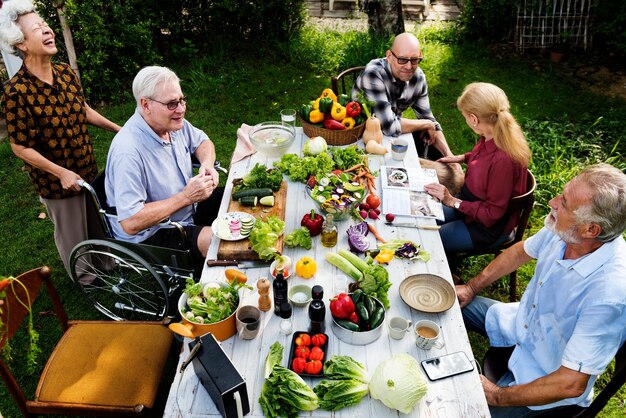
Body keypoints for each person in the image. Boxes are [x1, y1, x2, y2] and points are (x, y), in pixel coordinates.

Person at [457, 163, 626, 417]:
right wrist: (470, 287)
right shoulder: (568, 230)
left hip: (545, 377)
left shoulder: (608, 293)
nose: (552, 202)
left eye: (565, 202)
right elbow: (521, 251)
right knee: (447, 301)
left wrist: (495, 395)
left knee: (468, 411)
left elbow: (570, 382)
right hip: (520, 322)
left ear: (591, 229)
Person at [0, 0, 121, 277]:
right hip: (56, 181)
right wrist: (60, 172)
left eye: (45, 25)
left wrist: (118, 129)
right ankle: (87, 280)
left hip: (86, 166)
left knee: (96, 221)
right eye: (38, 29)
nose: (47, 31)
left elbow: (84, 110)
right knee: (73, 233)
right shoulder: (16, 92)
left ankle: (108, 264)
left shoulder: (65, 72)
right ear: (21, 43)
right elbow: (19, 146)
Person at [105, 66, 223, 268]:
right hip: (152, 233)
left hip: (186, 210)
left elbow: (204, 143)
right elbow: (131, 222)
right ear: (146, 104)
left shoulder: (172, 123)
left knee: (237, 200)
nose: (181, 109)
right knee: (219, 241)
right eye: (171, 104)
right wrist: (186, 197)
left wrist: (206, 164)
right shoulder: (128, 151)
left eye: (182, 100)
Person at [424, 82, 530, 253]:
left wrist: (452, 201)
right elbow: (485, 158)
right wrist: (463, 157)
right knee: (421, 220)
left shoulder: (503, 160)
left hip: (486, 227)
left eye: (465, 116)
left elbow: (492, 213)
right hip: (469, 208)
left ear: (474, 119)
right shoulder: (494, 133)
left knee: (428, 241)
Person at [351, 32, 453, 160]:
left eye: (414, 60)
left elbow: (429, 120)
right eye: (402, 59)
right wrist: (426, 124)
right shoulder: (373, 74)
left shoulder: (418, 78)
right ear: (389, 56)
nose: (409, 67)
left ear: (420, 56)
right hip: (358, 138)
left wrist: (450, 156)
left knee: (441, 159)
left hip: (392, 137)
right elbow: (389, 126)